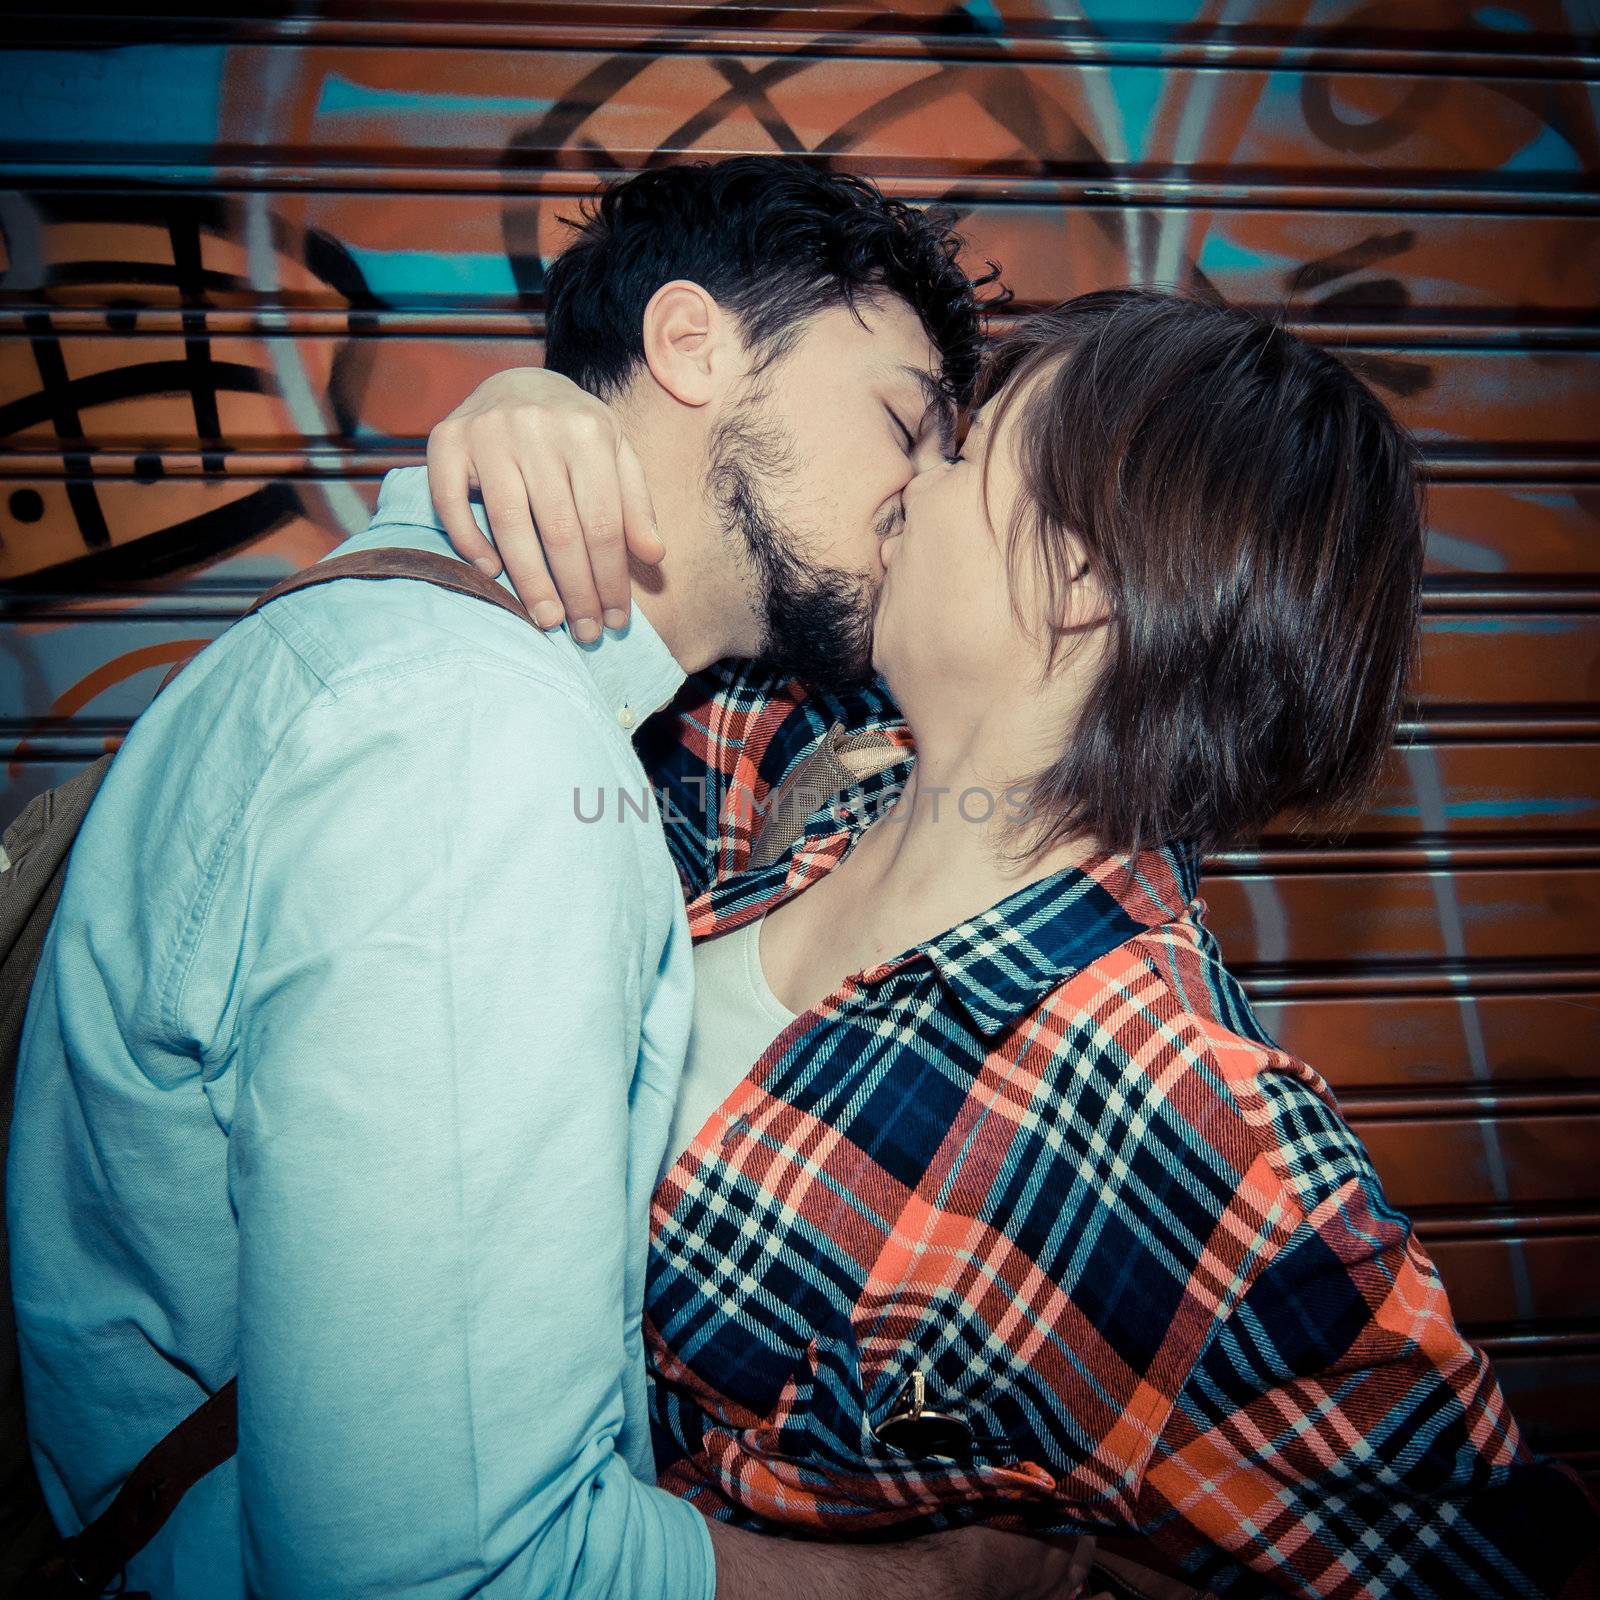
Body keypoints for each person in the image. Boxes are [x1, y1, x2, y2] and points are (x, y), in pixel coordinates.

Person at [7, 158, 1091, 1599]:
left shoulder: (425, 655)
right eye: (904, 417)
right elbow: (445, 1573)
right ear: (691, 344)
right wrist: (948, 1586)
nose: (920, 486)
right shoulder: (477, 753)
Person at [428, 288, 1600, 1599]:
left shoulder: (1191, 1134)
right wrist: (542, 427)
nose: (912, 485)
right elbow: (594, 665)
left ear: (1086, 577)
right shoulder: (820, 767)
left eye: (968, 455)